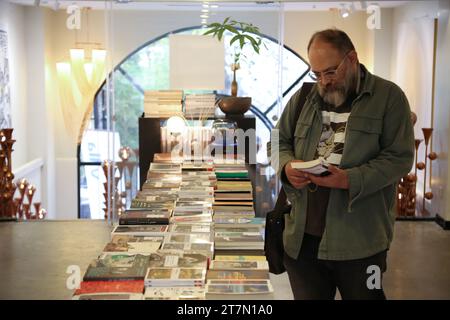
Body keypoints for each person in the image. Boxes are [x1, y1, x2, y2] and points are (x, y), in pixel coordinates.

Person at [272, 29, 414, 300]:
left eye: (330, 72)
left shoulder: (389, 98)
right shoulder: (305, 97)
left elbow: (399, 158)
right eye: (316, 74)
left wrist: (350, 179)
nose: (323, 81)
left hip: (361, 244)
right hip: (302, 241)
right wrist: (287, 167)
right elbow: (278, 140)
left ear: (352, 58)